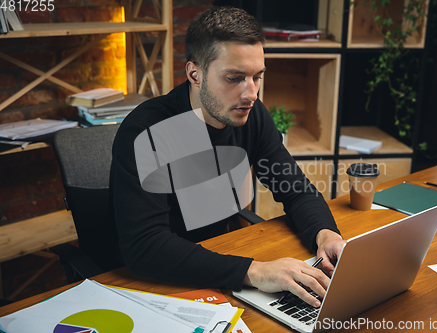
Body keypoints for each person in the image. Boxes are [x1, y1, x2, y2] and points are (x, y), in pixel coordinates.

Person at [109, 6, 345, 308]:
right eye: (234, 78)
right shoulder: (147, 131)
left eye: (256, 77)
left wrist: (325, 234)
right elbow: (145, 246)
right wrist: (254, 271)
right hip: (157, 286)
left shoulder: (250, 114)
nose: (251, 94)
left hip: (222, 267)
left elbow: (295, 189)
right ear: (195, 74)